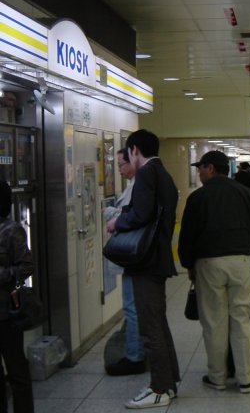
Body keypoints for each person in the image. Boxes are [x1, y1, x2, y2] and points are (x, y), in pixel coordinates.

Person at [178, 150, 250, 395]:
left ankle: (218, 378)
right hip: (239, 261)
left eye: (200, 168)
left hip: (209, 264)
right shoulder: (246, 193)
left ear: (210, 168)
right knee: (241, 319)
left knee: (214, 322)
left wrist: (188, 264)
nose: (198, 173)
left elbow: (187, 236)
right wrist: (245, 243)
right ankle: (245, 379)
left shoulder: (198, 198)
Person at [106, 129, 180, 409]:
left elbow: (142, 213)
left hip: (146, 261)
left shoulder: (147, 174)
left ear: (135, 150)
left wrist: (117, 223)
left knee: (150, 327)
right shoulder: (164, 174)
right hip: (157, 258)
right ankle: (169, 381)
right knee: (158, 322)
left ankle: (159, 388)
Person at [102, 149, 145, 376]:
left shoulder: (138, 186)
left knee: (132, 308)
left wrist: (113, 215)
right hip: (135, 257)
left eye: (121, 165)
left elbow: (131, 217)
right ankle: (136, 350)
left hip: (133, 256)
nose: (119, 170)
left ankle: (134, 355)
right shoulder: (134, 185)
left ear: (134, 160)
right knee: (134, 307)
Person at [0, 180, 34, 413]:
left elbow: (27, 266)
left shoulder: (11, 230)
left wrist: (2, 274)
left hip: (6, 313)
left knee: (16, 371)